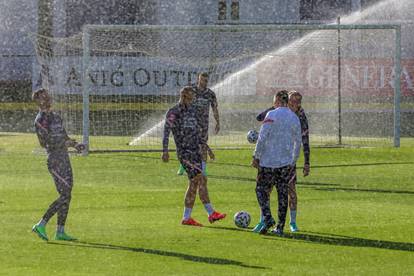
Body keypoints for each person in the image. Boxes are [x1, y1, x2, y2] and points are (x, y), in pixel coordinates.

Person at [162, 86, 225, 226]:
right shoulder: (174, 112)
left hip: (196, 151)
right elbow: (166, 131)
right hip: (185, 152)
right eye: (191, 98)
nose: (193, 101)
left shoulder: (192, 111)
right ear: (184, 97)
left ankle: (197, 216)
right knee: (197, 179)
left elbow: (196, 132)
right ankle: (202, 214)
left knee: (198, 181)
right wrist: (165, 150)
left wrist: (207, 148)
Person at [252, 90, 310, 233]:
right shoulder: (294, 118)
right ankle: (280, 227)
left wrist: (256, 156)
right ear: (287, 101)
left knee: (261, 190)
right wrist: (293, 160)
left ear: (278, 101)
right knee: (282, 195)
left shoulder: (271, 115)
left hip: (268, 162)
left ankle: (267, 217)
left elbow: (262, 137)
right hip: (285, 163)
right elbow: (298, 142)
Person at [31, 88, 85, 241]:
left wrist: (75, 145)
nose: (47, 99)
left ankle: (60, 231)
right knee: (65, 195)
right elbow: (44, 143)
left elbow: (64, 136)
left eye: (47, 96)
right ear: (38, 102)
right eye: (43, 97)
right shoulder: (40, 120)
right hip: (54, 160)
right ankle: (41, 224)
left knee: (67, 195)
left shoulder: (56, 117)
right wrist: (64, 142)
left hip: (64, 159)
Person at [177, 72, 220, 176]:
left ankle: (203, 169)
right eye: (202, 80)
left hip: (203, 124)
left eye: (205, 80)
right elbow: (182, 102)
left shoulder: (210, 94)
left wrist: (218, 122)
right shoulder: (192, 91)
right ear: (198, 79)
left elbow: (214, 108)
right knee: (187, 145)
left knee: (203, 146)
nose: (203, 82)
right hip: (190, 122)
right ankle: (182, 167)